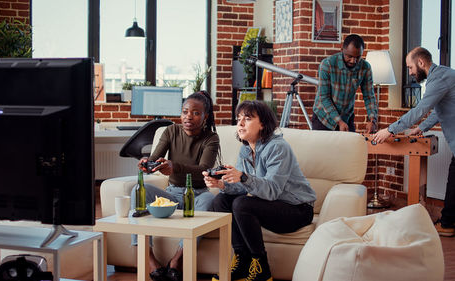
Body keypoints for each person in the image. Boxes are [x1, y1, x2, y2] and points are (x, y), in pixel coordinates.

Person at [203, 100, 316, 281]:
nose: (240, 124)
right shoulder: (246, 150)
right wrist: (222, 185)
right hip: (272, 206)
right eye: (238, 119)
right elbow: (241, 187)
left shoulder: (278, 148)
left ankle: (262, 269)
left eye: (247, 119)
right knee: (220, 201)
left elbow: (272, 191)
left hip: (298, 210)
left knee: (242, 204)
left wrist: (243, 177)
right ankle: (242, 260)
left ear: (263, 124)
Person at [130, 91, 220, 281]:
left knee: (210, 199)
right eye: (185, 111)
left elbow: (204, 168)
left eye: (196, 113)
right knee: (137, 192)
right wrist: (148, 164)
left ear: (205, 116)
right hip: (171, 195)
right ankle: (151, 261)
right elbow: (155, 159)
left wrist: (174, 166)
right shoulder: (170, 131)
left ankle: (177, 260)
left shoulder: (211, 138)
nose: (189, 116)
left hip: (197, 195)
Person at [373, 47, 455, 237]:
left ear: (420, 63)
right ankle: (448, 222)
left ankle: (448, 223)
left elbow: (419, 110)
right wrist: (422, 128)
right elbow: (438, 110)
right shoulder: (442, 76)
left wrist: (390, 129)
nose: (409, 72)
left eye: (410, 67)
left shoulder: (438, 79)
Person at [312, 34, 378, 133]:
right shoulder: (327, 64)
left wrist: (373, 120)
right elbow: (324, 98)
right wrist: (339, 122)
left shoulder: (365, 67)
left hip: (347, 117)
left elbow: (369, 96)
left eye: (358, 57)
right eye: (349, 56)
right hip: (323, 118)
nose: (353, 61)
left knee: (350, 148)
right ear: (342, 49)